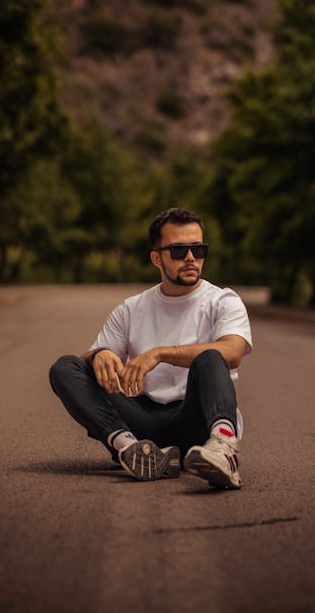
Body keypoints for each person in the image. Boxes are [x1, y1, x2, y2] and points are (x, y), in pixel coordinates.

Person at [49, 207, 253, 489]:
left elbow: (233, 352)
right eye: (179, 250)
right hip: (142, 424)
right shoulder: (132, 308)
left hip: (196, 418)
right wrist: (100, 354)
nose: (191, 258)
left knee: (211, 357)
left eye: (198, 249)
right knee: (65, 367)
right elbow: (88, 362)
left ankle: (224, 451)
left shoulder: (223, 301)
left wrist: (159, 354)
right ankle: (128, 448)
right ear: (156, 258)